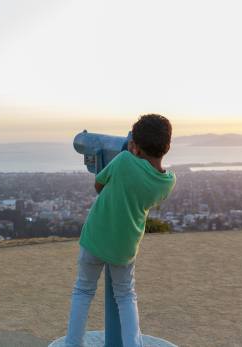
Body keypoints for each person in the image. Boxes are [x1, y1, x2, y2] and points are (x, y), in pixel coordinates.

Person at [65, 114, 176, 347]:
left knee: (83, 291)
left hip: (95, 238)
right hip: (124, 246)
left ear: (134, 146)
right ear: (167, 147)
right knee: (125, 296)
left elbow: (99, 184)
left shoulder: (124, 160)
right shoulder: (167, 182)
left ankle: (73, 344)